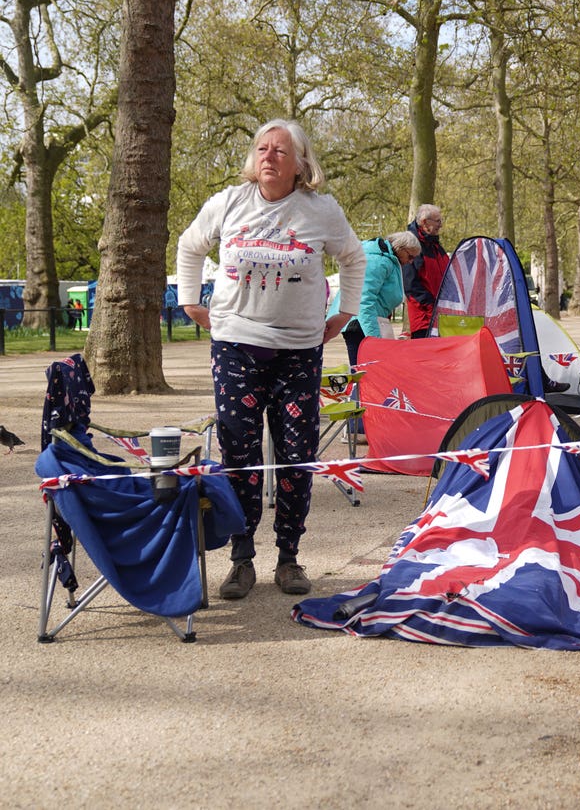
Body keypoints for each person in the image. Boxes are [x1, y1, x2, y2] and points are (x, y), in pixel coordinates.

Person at [177, 119, 366, 600]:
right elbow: (189, 246)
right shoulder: (229, 202)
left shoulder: (320, 210)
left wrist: (345, 312)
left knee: (295, 454)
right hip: (236, 345)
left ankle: (288, 557)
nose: (269, 156)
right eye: (262, 148)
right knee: (239, 453)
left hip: (299, 351)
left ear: (300, 162)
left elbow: (353, 258)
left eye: (280, 150)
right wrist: (189, 302)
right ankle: (241, 559)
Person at [329, 231, 421, 368]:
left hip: (366, 323)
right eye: (410, 256)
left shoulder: (385, 260)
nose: (411, 261)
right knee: (366, 373)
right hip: (360, 325)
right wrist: (374, 340)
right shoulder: (378, 261)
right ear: (400, 248)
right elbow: (363, 301)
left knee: (371, 372)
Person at [403, 204, 449, 338]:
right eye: (437, 221)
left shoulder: (435, 246)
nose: (440, 225)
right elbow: (410, 285)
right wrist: (432, 306)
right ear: (424, 222)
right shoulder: (411, 245)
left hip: (440, 317)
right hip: (424, 319)